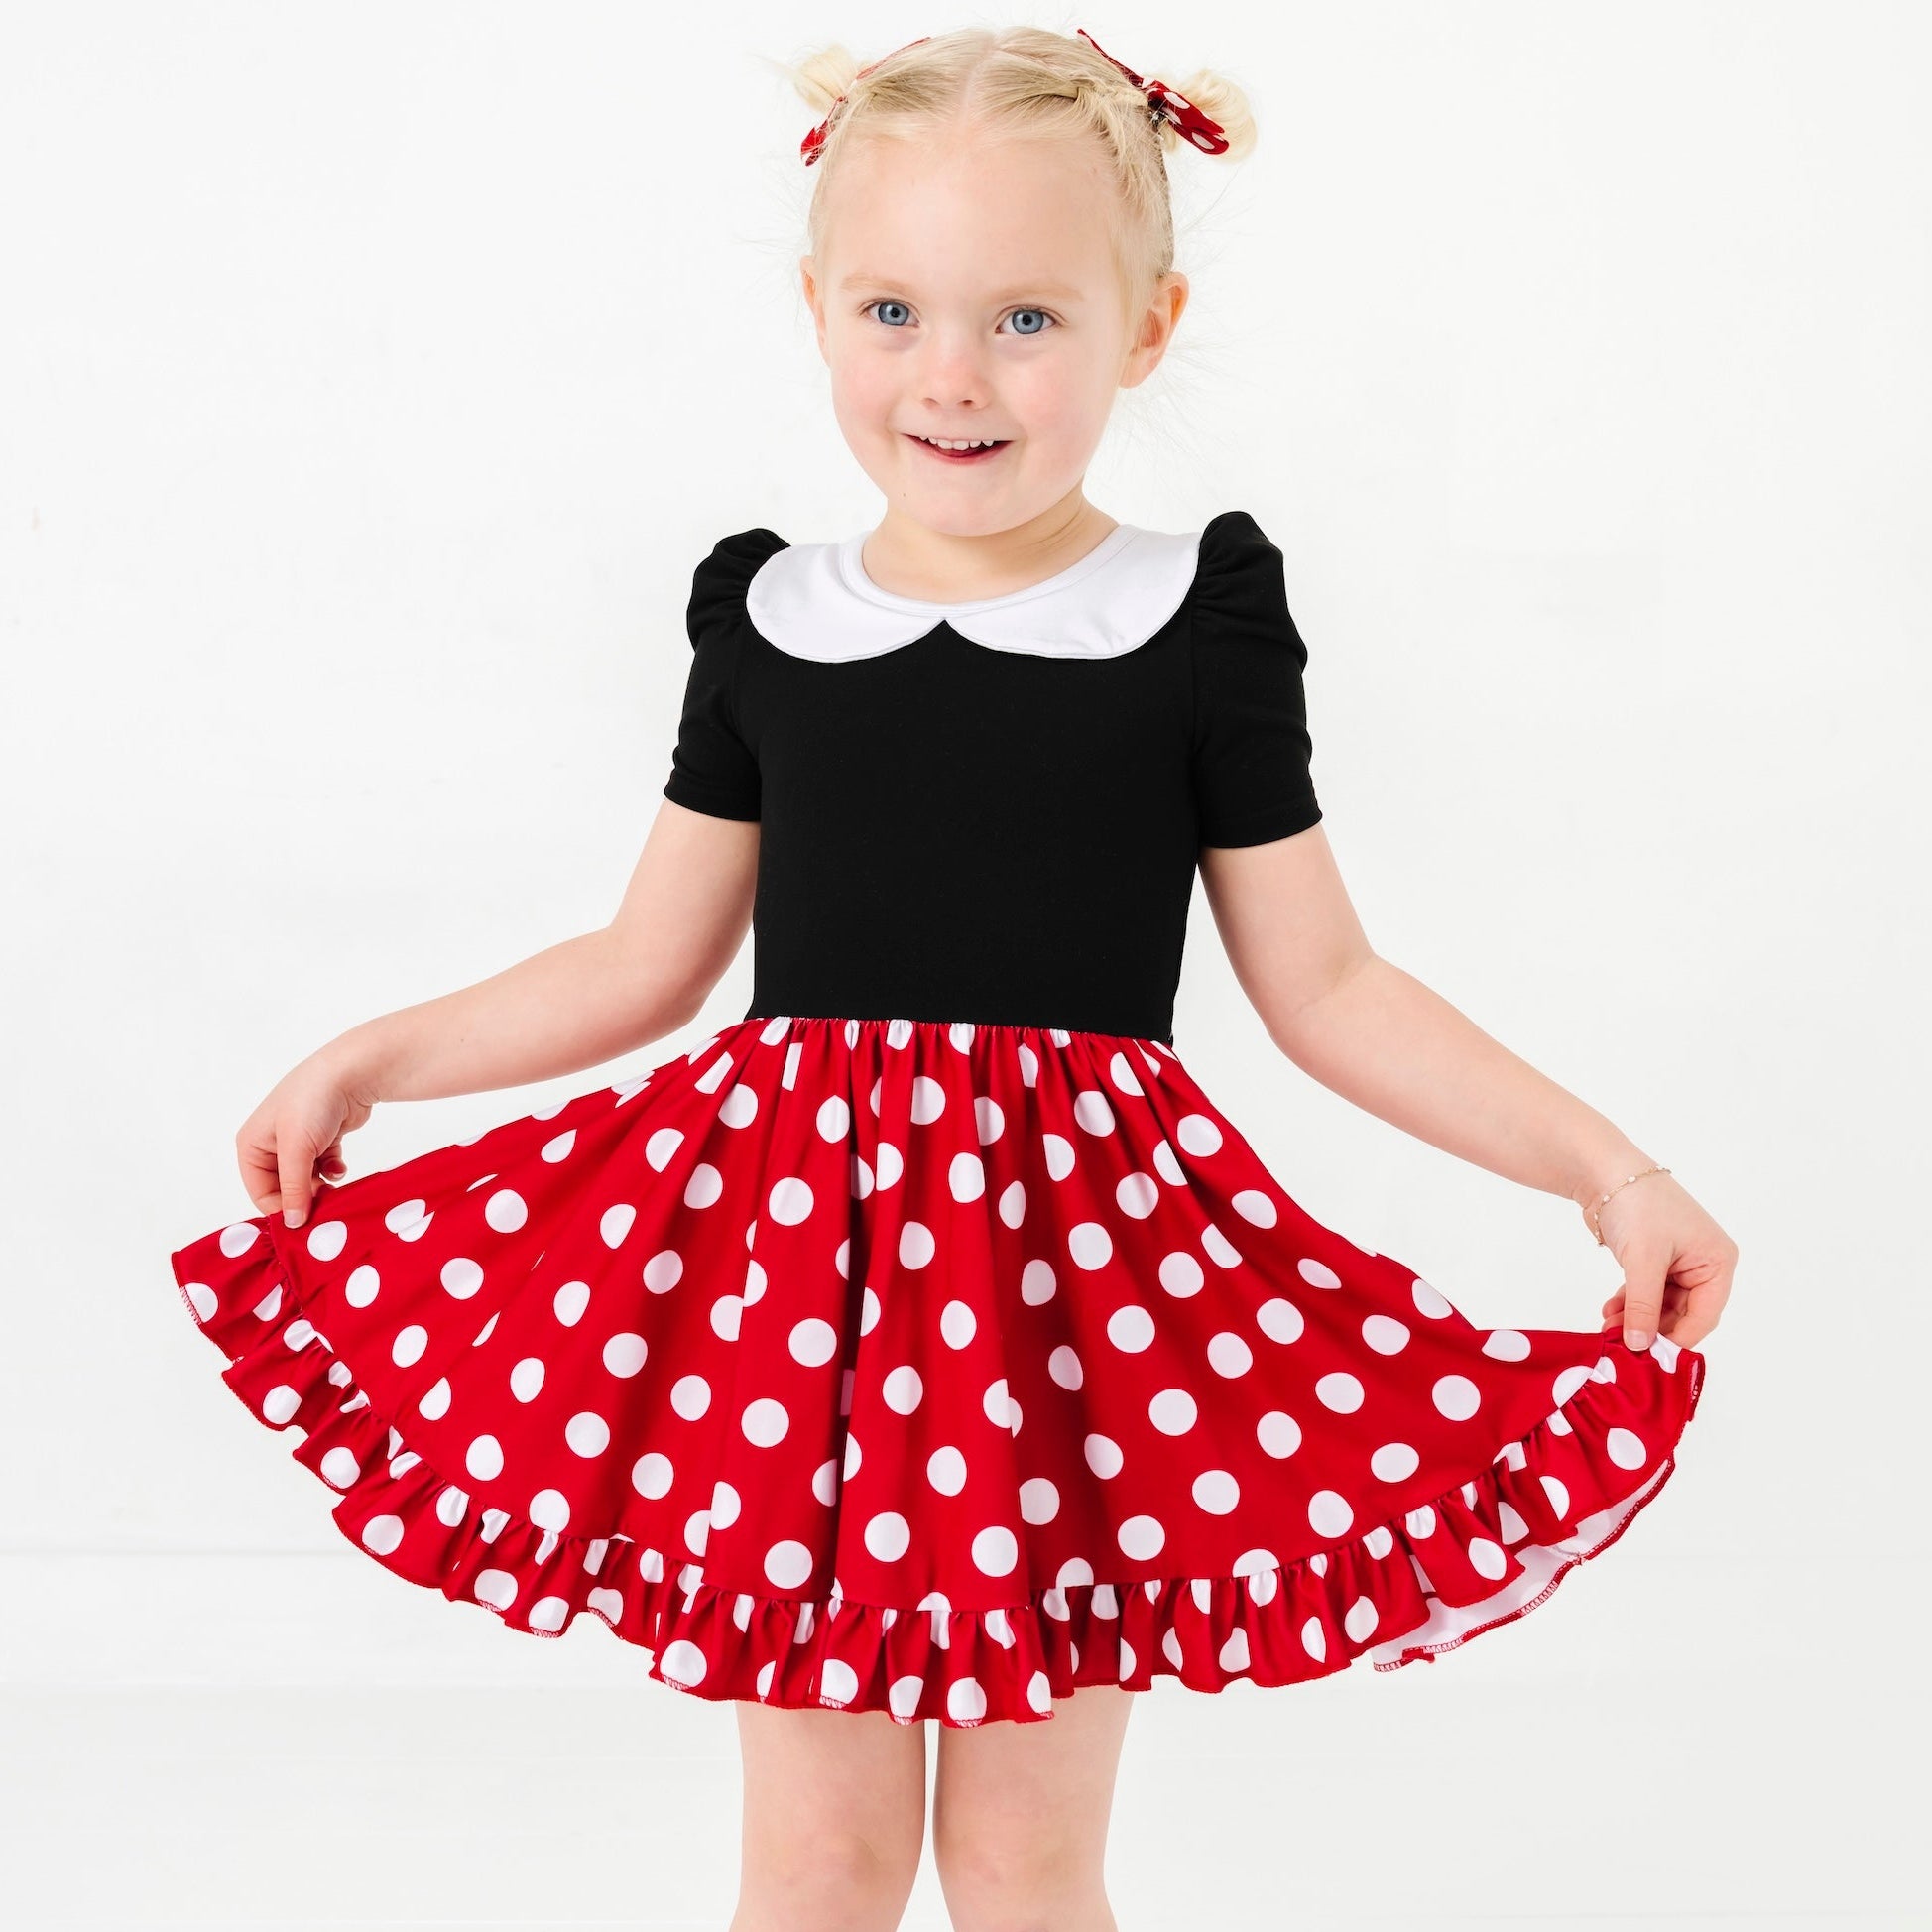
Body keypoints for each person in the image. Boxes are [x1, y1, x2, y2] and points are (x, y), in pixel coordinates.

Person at [167, 24, 1734, 1930]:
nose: (953, 376)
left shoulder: (1200, 619)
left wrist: (1611, 1173)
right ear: (817, 308)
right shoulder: (770, 617)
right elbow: (645, 962)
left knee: (1021, 1863)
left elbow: (1328, 985)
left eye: (1027, 319)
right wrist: (377, 1059)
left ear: (1147, 328)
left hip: (1075, 1318)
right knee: (818, 1862)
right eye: (895, 311)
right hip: (791, 1316)